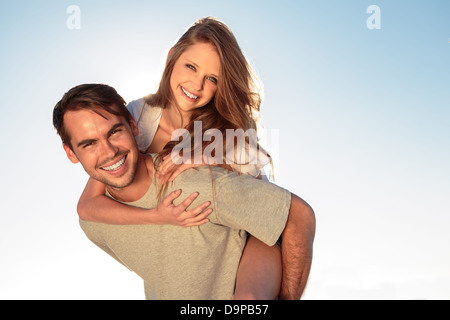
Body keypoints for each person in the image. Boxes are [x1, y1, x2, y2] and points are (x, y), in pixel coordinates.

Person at [76, 17, 313, 299]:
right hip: (199, 243)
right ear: (171, 57)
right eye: (191, 66)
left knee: (248, 301)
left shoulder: (231, 132)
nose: (197, 85)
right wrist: (156, 217)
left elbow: (258, 200)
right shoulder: (139, 114)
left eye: (212, 79)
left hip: (254, 237)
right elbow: (88, 206)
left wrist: (204, 156)